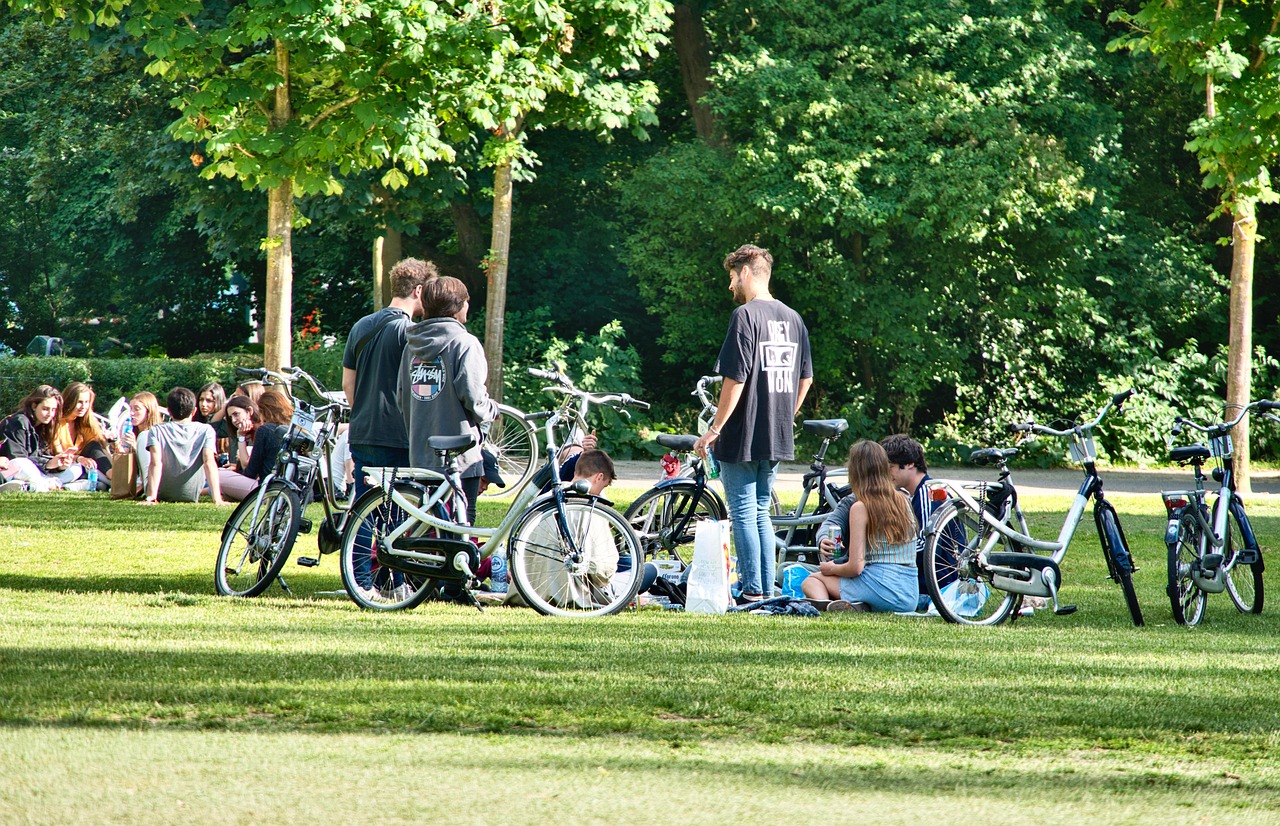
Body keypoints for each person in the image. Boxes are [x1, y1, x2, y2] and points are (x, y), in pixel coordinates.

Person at [693, 244, 812, 601]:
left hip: (742, 432)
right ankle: (764, 590)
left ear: (745, 272)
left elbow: (736, 378)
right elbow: (806, 378)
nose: (731, 285)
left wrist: (714, 429)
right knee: (760, 511)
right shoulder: (794, 318)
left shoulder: (744, 316)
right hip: (777, 434)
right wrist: (785, 414)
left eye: (732, 277)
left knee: (744, 512)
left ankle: (752, 592)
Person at [398, 274, 497, 525]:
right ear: (456, 307)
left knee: (426, 523)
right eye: (466, 301)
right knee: (461, 524)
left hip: (421, 451)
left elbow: (401, 396)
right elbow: (474, 399)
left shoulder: (411, 346)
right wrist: (491, 410)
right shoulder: (465, 343)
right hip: (460, 455)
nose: (468, 305)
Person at [343, 257, 433, 503]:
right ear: (418, 290)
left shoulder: (360, 326)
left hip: (362, 432)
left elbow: (347, 383)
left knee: (364, 508)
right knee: (398, 511)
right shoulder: (410, 333)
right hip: (396, 436)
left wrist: (363, 414)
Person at [803, 440, 919, 612]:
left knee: (812, 580)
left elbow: (855, 567)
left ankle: (828, 605)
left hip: (880, 586)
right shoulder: (904, 500)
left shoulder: (861, 507)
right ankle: (857, 603)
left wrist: (831, 568)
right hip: (909, 594)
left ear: (854, 472)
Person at [880, 433, 960, 611]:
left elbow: (927, 547)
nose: (886, 473)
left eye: (890, 467)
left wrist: (886, 555)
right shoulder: (916, 493)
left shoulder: (927, 493)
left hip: (934, 588)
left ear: (910, 464)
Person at [141, 387, 225, 505]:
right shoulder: (206, 430)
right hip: (191, 494)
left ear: (169, 411)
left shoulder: (156, 430)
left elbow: (155, 463)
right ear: (194, 411)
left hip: (160, 493)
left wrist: (151, 498)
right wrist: (217, 499)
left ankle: (142, 488)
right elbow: (209, 462)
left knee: (142, 437)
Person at [0, 385, 83, 491]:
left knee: (76, 468)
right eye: (45, 409)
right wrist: (47, 464)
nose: (50, 414)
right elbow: (17, 458)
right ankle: (48, 484)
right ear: (34, 406)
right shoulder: (18, 422)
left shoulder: (44, 426)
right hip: (12, 468)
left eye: (53, 410)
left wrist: (58, 465)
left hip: (36, 471)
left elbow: (41, 456)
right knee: (23, 464)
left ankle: (37, 485)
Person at [51, 381, 112, 487]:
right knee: (77, 470)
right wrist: (79, 458)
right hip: (62, 465)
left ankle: (114, 477)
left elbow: (98, 450)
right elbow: (59, 454)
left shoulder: (86, 423)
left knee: (94, 446)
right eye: (79, 402)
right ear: (70, 401)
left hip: (86, 465)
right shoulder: (57, 423)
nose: (83, 406)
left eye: (86, 402)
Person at [116, 391, 164, 497]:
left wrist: (136, 447)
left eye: (137, 409)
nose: (132, 413)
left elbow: (151, 463)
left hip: (152, 480)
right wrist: (115, 445)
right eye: (131, 409)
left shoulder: (155, 434)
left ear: (149, 411)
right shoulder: (131, 430)